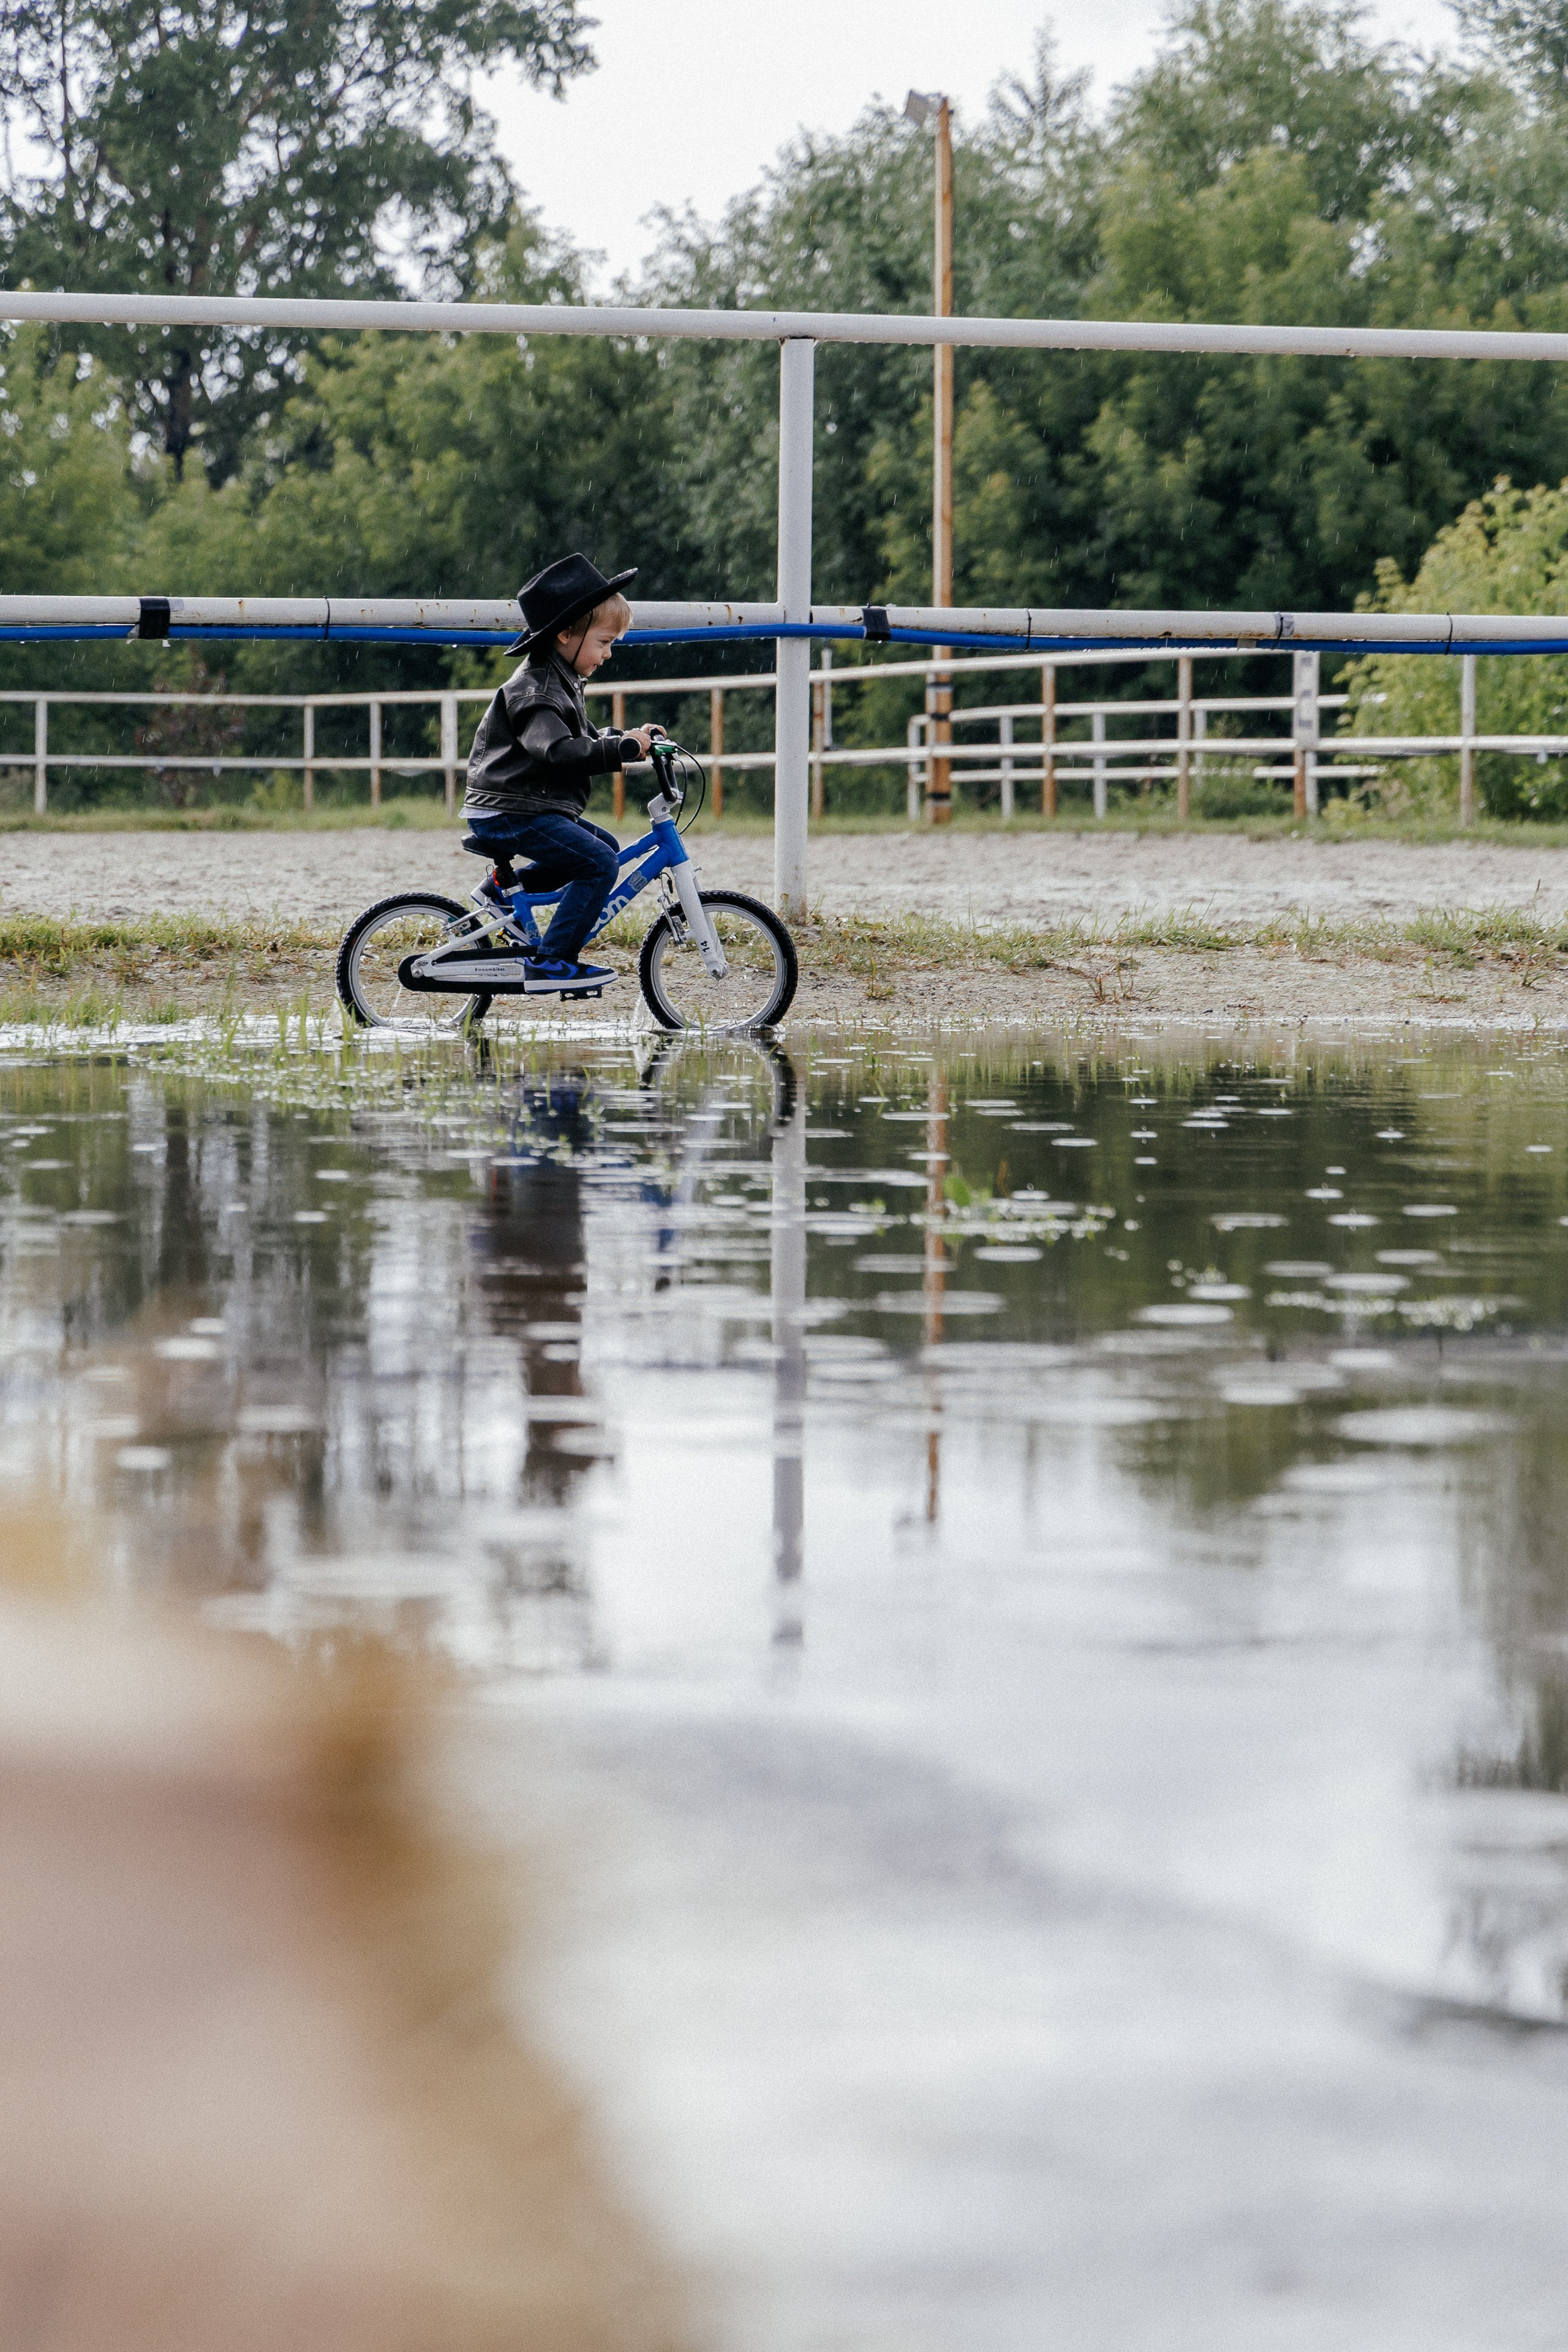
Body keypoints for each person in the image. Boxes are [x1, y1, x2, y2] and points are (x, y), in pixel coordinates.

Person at [462, 552, 658, 992]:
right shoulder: (536, 688)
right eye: (604, 642)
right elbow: (557, 749)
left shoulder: (560, 679)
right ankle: (553, 960)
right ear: (566, 634)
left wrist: (627, 738)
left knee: (601, 846)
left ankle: (500, 893)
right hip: (510, 809)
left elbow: (586, 738)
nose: (608, 655)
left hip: (523, 804)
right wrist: (616, 751)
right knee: (599, 863)